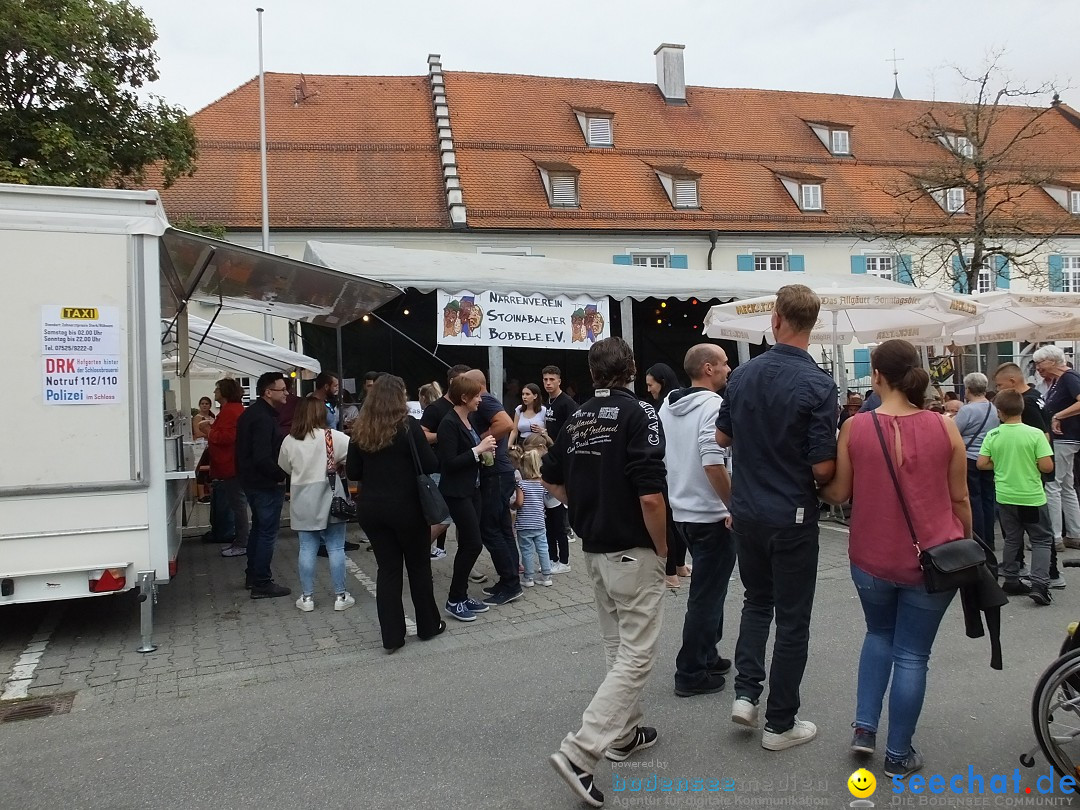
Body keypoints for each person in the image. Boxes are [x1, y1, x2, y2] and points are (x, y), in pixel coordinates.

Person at [821, 339, 971, 779]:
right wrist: (969, 543)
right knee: (912, 655)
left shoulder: (856, 426)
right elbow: (959, 497)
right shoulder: (945, 427)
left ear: (878, 375)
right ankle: (899, 754)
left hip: (870, 557)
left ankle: (864, 728)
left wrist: (813, 489)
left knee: (878, 634)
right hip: (934, 556)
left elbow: (839, 493)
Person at [543, 337, 668, 808]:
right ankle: (581, 751)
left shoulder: (575, 416)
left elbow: (549, 476)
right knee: (636, 654)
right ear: (631, 369)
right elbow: (651, 494)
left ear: (592, 371)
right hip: (632, 549)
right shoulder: (640, 413)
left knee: (617, 645)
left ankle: (625, 733)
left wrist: (586, 506)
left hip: (594, 549)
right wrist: (662, 548)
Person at [715, 284, 837, 751]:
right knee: (792, 618)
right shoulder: (820, 385)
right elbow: (822, 466)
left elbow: (722, 438)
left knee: (755, 601)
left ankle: (747, 694)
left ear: (776, 321)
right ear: (813, 324)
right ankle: (780, 723)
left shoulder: (742, 375)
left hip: (747, 509)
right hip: (792, 512)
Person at [659, 343, 736, 699]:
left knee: (710, 589)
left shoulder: (669, 404)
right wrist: (734, 506)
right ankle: (690, 670)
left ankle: (706, 652)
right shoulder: (714, 407)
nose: (728, 368)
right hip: (711, 513)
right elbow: (712, 461)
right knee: (706, 595)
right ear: (707, 368)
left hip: (682, 510)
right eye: (722, 363)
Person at [348, 375, 444, 651]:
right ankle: (428, 625)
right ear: (399, 397)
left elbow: (354, 472)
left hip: (372, 508)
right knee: (418, 568)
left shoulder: (360, 429)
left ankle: (392, 636)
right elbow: (429, 463)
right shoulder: (408, 427)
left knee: (387, 570)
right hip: (407, 507)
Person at [978, 389, 1056, 605]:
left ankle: (1011, 578)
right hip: (1031, 495)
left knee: (1012, 538)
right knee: (1041, 539)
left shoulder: (993, 435)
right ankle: (1040, 583)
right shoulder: (1035, 434)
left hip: (1005, 495)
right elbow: (1047, 465)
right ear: (1022, 408)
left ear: (999, 412)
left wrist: (1001, 464)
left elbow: (982, 463)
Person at [277, 398, 355, 613]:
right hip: (331, 496)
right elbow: (355, 460)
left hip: (302, 497)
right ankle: (340, 596)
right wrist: (337, 465)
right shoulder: (335, 437)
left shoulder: (289, 441)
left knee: (306, 548)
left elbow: (285, 466)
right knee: (336, 547)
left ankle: (307, 597)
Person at [993, 362, 1063, 587]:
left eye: (999, 385)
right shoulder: (1035, 397)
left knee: (1035, 532)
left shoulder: (1028, 403)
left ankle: (1047, 573)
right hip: (1030, 480)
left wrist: (1027, 461)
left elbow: (1044, 437)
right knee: (1032, 530)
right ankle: (1025, 569)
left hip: (1027, 480)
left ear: (1012, 382)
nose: (998, 389)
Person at [436, 373, 496, 622]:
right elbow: (448, 463)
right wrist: (478, 450)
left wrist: (484, 453)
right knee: (472, 543)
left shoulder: (468, 419)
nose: (480, 399)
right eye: (476, 396)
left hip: (473, 489)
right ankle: (454, 599)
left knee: (470, 543)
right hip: (457, 492)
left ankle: (460, 595)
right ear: (464, 397)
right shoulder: (448, 423)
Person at [464, 369, 522, 606]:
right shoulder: (489, 400)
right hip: (500, 472)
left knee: (490, 529)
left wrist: (482, 439)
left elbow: (507, 423)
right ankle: (510, 580)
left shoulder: (486, 400)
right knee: (502, 528)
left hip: (495, 473)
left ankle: (510, 583)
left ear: (477, 386)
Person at [236, 372, 291, 599]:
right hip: (264, 483)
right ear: (268, 392)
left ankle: (253, 575)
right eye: (282, 389)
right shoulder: (262, 418)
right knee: (267, 532)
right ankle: (261, 582)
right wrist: (280, 475)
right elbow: (261, 456)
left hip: (253, 481)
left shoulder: (256, 414)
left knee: (259, 530)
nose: (287, 393)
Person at [1033, 345, 1080, 548]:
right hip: (1067, 438)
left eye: (1040, 363)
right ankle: (1074, 533)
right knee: (1066, 487)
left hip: (1064, 438)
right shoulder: (1059, 380)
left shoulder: (1068, 378)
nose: (1037, 367)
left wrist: (1057, 415)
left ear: (1052, 361)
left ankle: (1055, 537)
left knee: (1053, 485)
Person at [954, 372, 1000, 549]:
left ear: (968, 389)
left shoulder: (967, 410)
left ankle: (979, 539)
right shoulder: (993, 407)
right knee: (988, 498)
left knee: (974, 499)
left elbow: (956, 431)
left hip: (970, 458)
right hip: (988, 457)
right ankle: (990, 539)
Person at [543, 365, 578, 574]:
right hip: (550, 457)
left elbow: (573, 430)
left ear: (559, 381)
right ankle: (553, 556)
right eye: (545, 379)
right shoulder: (548, 403)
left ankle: (569, 532)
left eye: (551, 379)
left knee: (559, 506)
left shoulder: (567, 403)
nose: (548, 383)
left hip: (563, 458)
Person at [208, 378, 249, 558]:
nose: (215, 393)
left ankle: (242, 542)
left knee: (238, 505)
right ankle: (240, 540)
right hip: (231, 463)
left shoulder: (231, 412)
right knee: (237, 504)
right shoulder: (231, 410)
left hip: (232, 464)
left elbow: (227, 437)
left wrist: (209, 432)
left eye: (217, 390)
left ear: (224, 392)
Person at [515, 449, 553, 588]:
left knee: (526, 550)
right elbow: (548, 499)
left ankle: (528, 577)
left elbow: (519, 503)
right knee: (543, 548)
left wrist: (512, 505)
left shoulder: (522, 485)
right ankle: (547, 575)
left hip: (525, 523)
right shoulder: (542, 484)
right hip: (539, 522)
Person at [509, 383, 547, 447]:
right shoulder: (519, 409)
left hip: (537, 443)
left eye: (527, 394)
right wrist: (509, 445)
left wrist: (542, 431)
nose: (524, 397)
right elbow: (514, 431)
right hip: (522, 443)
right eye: (523, 394)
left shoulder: (543, 410)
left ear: (535, 396)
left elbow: (548, 430)